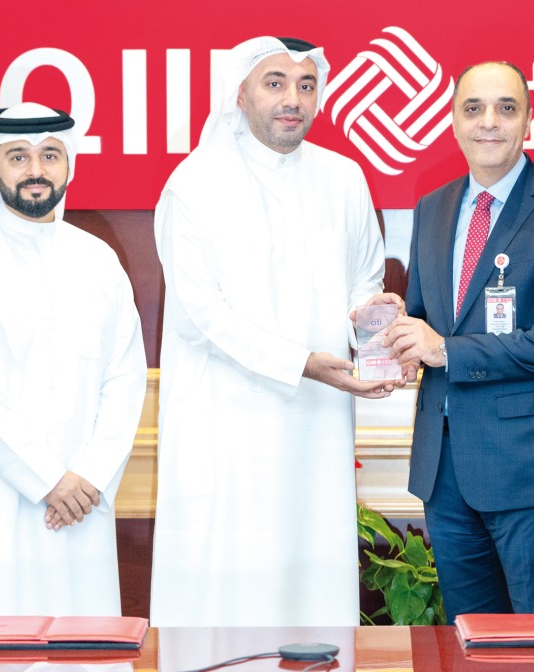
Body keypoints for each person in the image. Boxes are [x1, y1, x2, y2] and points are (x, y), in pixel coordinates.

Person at [150, 36, 398, 627]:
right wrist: (301, 362)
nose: (293, 99)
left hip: (316, 424)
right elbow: (198, 313)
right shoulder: (195, 183)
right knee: (227, 592)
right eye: (275, 82)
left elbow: (363, 283)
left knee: (311, 587)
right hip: (224, 430)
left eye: (306, 85)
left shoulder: (344, 178)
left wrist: (380, 330)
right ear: (241, 92)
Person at [379, 61, 534, 621]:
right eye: (473, 108)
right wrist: (396, 330)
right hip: (445, 468)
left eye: (507, 108)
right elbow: (431, 321)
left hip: (532, 468)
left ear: (529, 121)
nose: (489, 122)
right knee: (471, 639)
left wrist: (444, 350)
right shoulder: (432, 207)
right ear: (453, 122)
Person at [0, 102, 147, 617]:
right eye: (18, 157)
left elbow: (125, 379)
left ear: (68, 165)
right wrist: (47, 480)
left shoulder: (98, 260)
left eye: (50, 156)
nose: (36, 171)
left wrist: (90, 476)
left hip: (81, 506)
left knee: (81, 643)